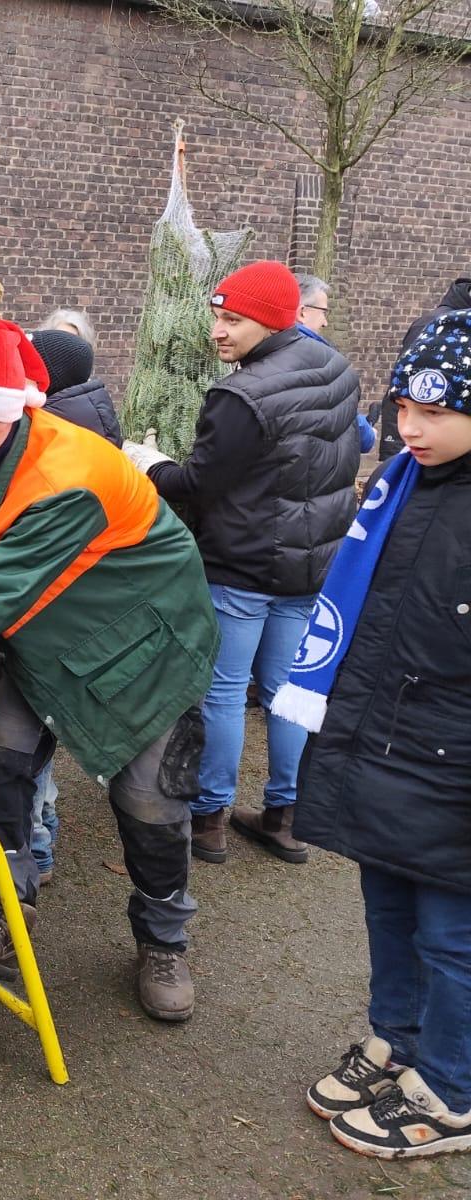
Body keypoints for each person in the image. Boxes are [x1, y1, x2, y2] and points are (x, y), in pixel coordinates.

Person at [0, 319, 218, 1022]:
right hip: (38, 630)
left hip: (141, 642)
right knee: (0, 760)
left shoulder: (66, 479)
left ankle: (163, 941)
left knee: (150, 799)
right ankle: (3, 916)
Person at [279, 312, 471, 1159]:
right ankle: (399, 1039)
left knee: (453, 936)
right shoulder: (404, 481)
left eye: (435, 412)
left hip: (454, 763)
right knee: (388, 908)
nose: (409, 428)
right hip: (389, 746)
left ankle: (456, 1088)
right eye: (402, 406)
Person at [125, 260, 360, 866]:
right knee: (286, 690)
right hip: (312, 566)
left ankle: (209, 819)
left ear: (271, 319)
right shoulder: (333, 367)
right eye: (216, 317)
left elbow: (197, 485)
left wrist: (144, 462)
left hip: (244, 566)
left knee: (224, 693)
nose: (218, 331)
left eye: (233, 319)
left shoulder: (239, 396)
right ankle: (286, 815)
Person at [0, 328, 121, 889]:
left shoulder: (59, 456)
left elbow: (14, 569)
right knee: (30, 753)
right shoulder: (88, 423)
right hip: (52, 621)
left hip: (43, 628)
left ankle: (35, 854)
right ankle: (33, 851)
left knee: (25, 753)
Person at [374, 275, 471, 460]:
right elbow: (410, 392)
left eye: (433, 412)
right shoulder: (435, 326)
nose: (408, 430)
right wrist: (393, 453)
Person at [296, 273, 375, 453]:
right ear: (302, 312)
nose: (325, 322)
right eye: (323, 312)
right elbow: (356, 430)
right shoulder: (321, 361)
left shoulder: (261, 348)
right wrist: (369, 432)